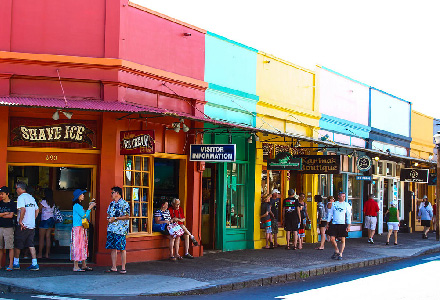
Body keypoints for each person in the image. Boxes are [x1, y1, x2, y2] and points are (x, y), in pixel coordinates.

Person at [13, 181, 39, 271]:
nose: (16, 190)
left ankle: (16, 263)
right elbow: (37, 210)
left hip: (23, 225)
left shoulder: (21, 197)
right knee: (31, 244)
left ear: (20, 188)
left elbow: (23, 209)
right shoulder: (31, 197)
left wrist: (20, 221)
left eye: (16, 189)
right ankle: (35, 263)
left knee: (18, 244)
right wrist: (32, 219)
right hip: (31, 225)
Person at [105, 186, 130, 273]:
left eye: (112, 192)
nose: (111, 194)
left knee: (122, 248)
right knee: (113, 248)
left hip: (120, 229)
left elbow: (127, 216)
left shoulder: (125, 204)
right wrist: (109, 218)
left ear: (117, 193)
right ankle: (113, 267)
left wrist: (115, 218)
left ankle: (123, 267)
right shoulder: (111, 204)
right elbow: (108, 214)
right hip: (111, 228)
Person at [71, 189, 95, 271]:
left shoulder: (79, 206)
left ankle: (84, 264)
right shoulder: (77, 206)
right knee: (77, 246)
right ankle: (76, 266)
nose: (83, 195)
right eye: (82, 194)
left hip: (81, 228)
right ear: (78, 196)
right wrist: (89, 208)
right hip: (78, 228)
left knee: (82, 245)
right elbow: (84, 216)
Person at [326, 192, 352, 260]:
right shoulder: (334, 204)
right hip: (334, 223)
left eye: (344, 196)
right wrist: (328, 223)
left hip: (342, 223)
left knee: (343, 239)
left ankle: (340, 253)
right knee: (332, 238)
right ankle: (336, 250)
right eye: (342, 196)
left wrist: (349, 225)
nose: (343, 198)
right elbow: (330, 214)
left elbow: (349, 215)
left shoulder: (346, 205)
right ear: (338, 196)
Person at [0, 186, 17, 271]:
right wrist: (4, 214)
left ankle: (10, 265)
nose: (1, 195)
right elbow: (8, 214)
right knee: (0, 247)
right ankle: (0, 265)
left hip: (9, 227)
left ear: (7, 194)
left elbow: (11, 215)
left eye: (2, 194)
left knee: (10, 246)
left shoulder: (12, 203)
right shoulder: (0, 203)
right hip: (0, 227)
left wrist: (1, 214)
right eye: (0, 194)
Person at [38, 188, 55, 259]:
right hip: (51, 219)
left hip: (44, 220)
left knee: (41, 238)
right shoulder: (52, 202)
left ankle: (40, 254)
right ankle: (47, 254)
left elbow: (39, 210)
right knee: (48, 237)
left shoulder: (43, 202)